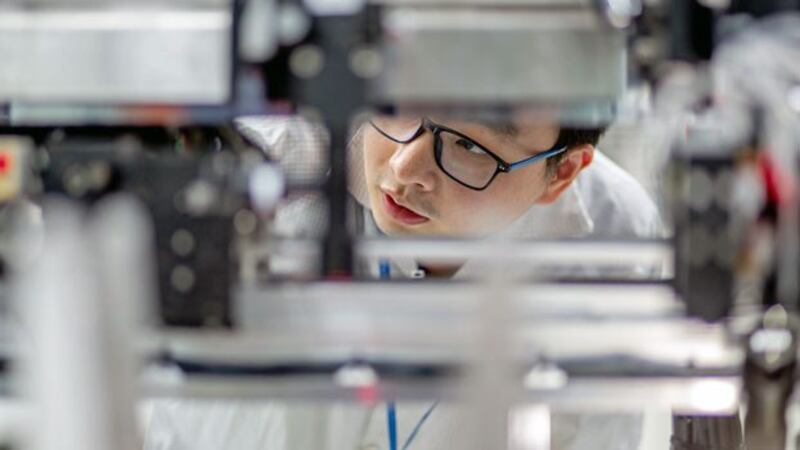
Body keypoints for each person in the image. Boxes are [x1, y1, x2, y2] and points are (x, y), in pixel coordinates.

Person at [142, 112, 663, 450]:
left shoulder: (614, 237)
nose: (405, 166)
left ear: (564, 172)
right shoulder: (253, 169)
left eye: (470, 148)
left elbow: (596, 437)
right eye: (401, 108)